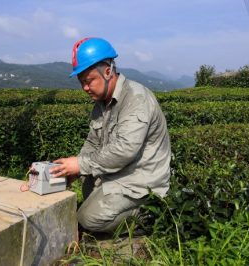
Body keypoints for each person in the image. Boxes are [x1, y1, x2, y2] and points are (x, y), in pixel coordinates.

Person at [50, 37, 171, 234]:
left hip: (141, 180)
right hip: (118, 172)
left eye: (89, 81)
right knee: (86, 185)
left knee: (87, 220)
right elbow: (92, 141)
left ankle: (150, 214)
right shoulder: (101, 103)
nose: (85, 88)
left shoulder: (136, 98)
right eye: (82, 83)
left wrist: (80, 164)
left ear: (108, 71)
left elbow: (125, 150)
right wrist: (75, 168)